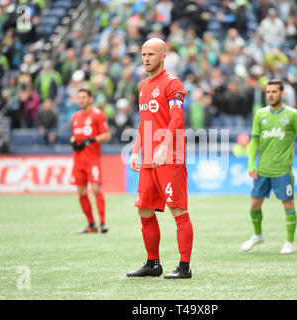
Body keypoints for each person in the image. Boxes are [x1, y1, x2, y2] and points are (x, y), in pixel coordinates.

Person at [126, 38, 194, 279]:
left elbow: (177, 118)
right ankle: (153, 264)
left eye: (151, 54)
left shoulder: (172, 83)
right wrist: (136, 150)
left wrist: (164, 146)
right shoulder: (143, 86)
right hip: (148, 159)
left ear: (163, 56)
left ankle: (184, 267)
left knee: (178, 210)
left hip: (170, 157)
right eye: (144, 54)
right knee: (144, 210)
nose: (146, 58)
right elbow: (145, 122)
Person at [240, 79, 297, 254]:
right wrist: (251, 163)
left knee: (288, 205)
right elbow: (254, 141)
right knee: (254, 205)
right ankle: (258, 235)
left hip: (282, 170)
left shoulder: (293, 115)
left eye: (274, 92)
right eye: (267, 92)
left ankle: (289, 242)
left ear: (282, 94)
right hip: (262, 169)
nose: (270, 95)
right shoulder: (260, 115)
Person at [70, 89, 111, 234]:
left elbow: (106, 136)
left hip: (92, 160)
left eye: (84, 97)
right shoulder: (75, 116)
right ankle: (91, 225)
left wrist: (91, 140)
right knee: (81, 192)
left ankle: (103, 223)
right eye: (79, 97)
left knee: (96, 189)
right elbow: (74, 136)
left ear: (90, 99)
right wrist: (73, 141)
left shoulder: (97, 114)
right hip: (78, 161)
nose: (81, 100)